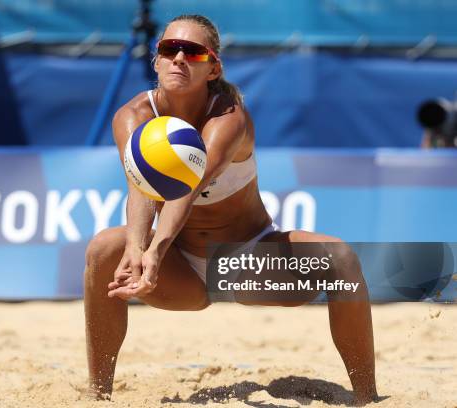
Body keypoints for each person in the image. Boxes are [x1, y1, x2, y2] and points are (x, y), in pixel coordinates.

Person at [84, 14, 378, 405]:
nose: (179, 59)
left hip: (248, 263)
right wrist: (138, 249)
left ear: (213, 67)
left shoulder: (228, 118)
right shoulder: (133, 116)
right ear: (155, 60)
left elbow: (186, 189)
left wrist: (153, 251)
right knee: (106, 247)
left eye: (192, 51)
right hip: (183, 272)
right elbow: (140, 189)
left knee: (340, 257)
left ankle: (367, 397)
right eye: (169, 49)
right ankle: (97, 395)